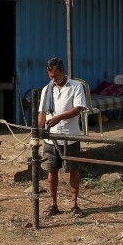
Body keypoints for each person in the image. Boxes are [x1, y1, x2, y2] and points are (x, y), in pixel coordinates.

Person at [37, 57, 87, 218]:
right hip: (50, 138)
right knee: (51, 170)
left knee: (73, 169)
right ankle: (53, 204)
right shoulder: (47, 89)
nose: (53, 79)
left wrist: (60, 117)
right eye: (50, 76)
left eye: (55, 76)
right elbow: (42, 112)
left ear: (63, 71)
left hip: (69, 135)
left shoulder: (76, 87)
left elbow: (78, 109)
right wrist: (39, 129)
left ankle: (74, 204)